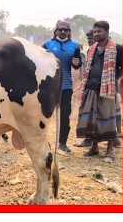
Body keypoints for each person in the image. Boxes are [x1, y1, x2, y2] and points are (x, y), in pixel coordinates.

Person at [77, 21, 121, 160]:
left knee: (108, 120)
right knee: (92, 119)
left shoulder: (117, 48)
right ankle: (94, 148)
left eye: (99, 31)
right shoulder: (91, 49)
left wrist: (113, 79)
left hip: (107, 90)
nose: (96, 34)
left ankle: (109, 152)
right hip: (90, 88)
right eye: (94, 31)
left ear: (107, 32)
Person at [42, 19, 83, 154]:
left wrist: (76, 63)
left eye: (66, 29)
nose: (63, 31)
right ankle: (42, 143)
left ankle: (62, 143)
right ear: (56, 31)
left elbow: (76, 65)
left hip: (66, 86)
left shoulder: (75, 46)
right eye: (60, 29)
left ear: (69, 32)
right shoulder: (47, 45)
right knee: (43, 115)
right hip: (48, 86)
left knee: (65, 116)